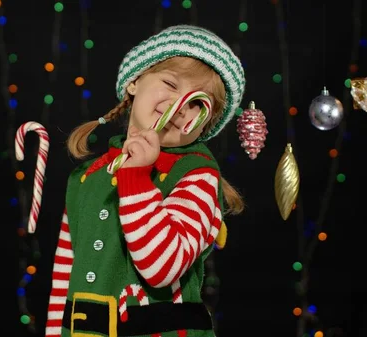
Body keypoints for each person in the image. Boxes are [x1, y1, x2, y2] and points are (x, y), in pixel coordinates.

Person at [45, 24, 246, 337]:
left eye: (197, 103)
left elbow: (162, 269)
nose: (179, 106)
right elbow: (65, 276)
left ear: (206, 123)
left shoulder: (197, 175)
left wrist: (137, 177)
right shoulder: (86, 178)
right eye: (170, 83)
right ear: (134, 82)